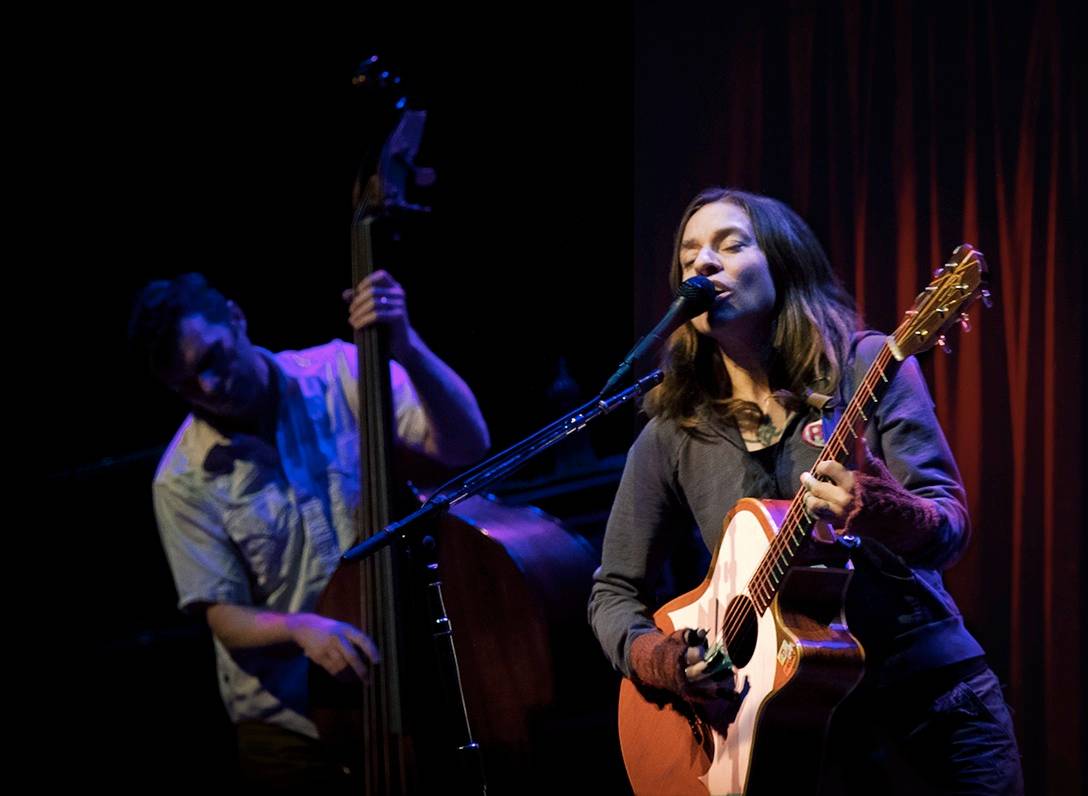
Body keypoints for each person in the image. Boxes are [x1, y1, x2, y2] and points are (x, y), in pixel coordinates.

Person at [588, 187, 1024, 795]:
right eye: (689, 257)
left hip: (933, 704)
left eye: (729, 244)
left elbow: (949, 527)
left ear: (784, 263)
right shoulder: (672, 432)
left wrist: (881, 507)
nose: (703, 264)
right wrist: (664, 663)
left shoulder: (867, 364)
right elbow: (613, 592)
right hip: (798, 736)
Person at [129, 269, 490, 787]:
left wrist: (407, 348)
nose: (207, 387)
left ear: (235, 318)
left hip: (397, 682)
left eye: (209, 361)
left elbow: (465, 446)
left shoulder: (341, 370)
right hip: (289, 725)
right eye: (185, 385)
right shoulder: (180, 479)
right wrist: (300, 627)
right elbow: (221, 612)